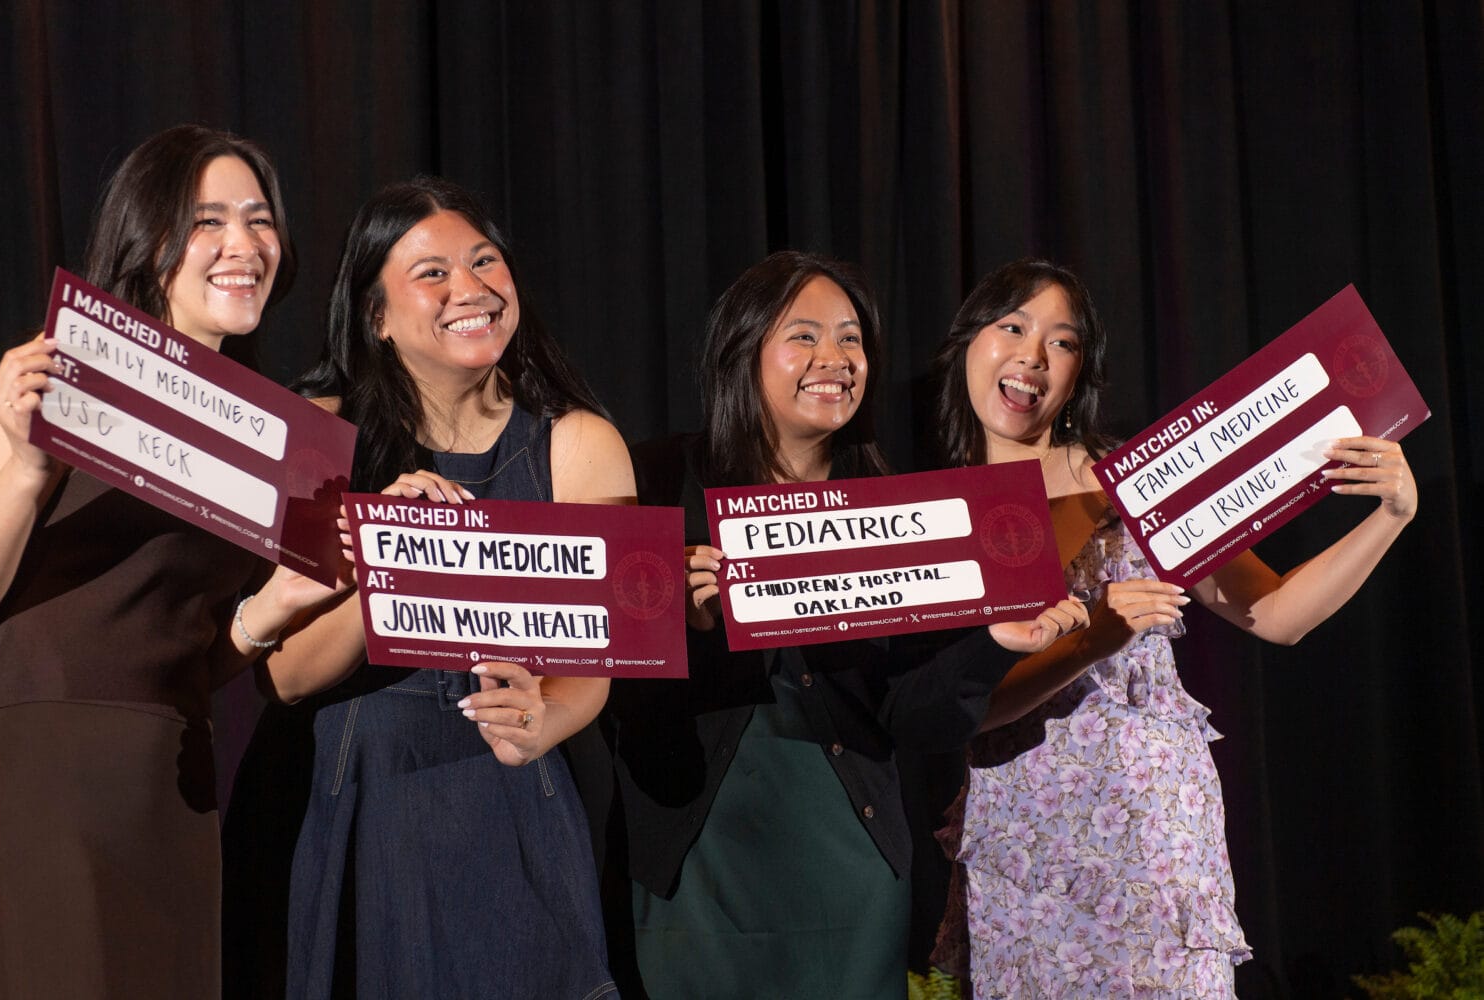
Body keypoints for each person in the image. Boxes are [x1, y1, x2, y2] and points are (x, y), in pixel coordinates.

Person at [604, 251, 1088, 999]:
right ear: (744, 352)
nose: (833, 359)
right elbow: (588, 677)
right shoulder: (652, 481)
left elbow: (916, 716)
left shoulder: (903, 510)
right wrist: (680, 629)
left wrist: (994, 646)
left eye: (851, 339)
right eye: (803, 336)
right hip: (698, 863)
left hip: (850, 867)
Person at [929, 259, 1417, 997]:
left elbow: (1278, 614)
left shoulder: (1140, 484)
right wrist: (1096, 636)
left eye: (1061, 342)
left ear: (1079, 372)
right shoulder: (928, 518)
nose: (1031, 356)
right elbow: (970, 709)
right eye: (1012, 327)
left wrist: (1392, 516)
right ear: (969, 343)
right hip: (1026, 846)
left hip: (1151, 838)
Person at [221, 177, 631, 1000]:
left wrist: (546, 719)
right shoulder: (321, 433)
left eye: (485, 262)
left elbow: (599, 654)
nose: (471, 289)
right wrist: (393, 563)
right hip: (351, 800)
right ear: (375, 314)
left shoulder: (580, 443)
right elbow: (289, 674)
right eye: (433, 273)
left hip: (510, 795)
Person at [0, 124, 336, 995]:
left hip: (174, 775)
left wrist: (271, 612)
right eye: (209, 220)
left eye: (260, 220)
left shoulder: (272, 438)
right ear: (151, 237)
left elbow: (195, 649)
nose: (243, 245)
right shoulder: (56, 369)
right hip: (46, 764)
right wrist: (28, 469)